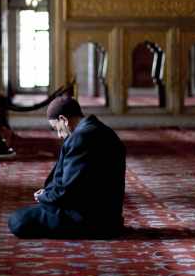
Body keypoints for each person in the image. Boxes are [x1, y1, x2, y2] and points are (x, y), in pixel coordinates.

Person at [8, 96, 126, 239]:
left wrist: (45, 196)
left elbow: (67, 191)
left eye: (56, 128)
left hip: (89, 220)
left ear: (63, 120)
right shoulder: (103, 130)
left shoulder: (81, 138)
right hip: (109, 217)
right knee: (31, 213)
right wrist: (48, 193)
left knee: (18, 220)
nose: (59, 135)